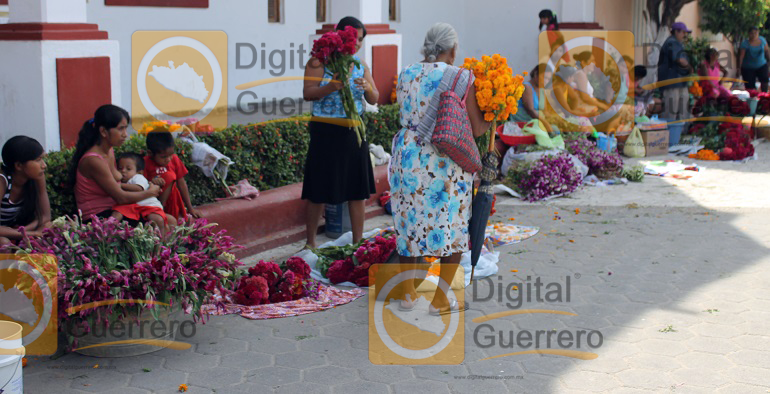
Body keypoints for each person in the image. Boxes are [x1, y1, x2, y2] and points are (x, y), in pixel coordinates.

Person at [390, 23, 488, 315]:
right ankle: (441, 300)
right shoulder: (460, 76)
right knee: (453, 224)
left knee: (409, 222)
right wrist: (496, 114)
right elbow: (476, 128)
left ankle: (407, 294)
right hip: (444, 160)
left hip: (407, 157)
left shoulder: (405, 72)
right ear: (453, 50)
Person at [301, 16, 379, 249]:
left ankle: (357, 242)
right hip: (325, 131)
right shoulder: (318, 62)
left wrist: (367, 88)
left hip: (353, 133)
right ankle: (311, 242)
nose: (356, 44)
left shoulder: (360, 65)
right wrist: (331, 87)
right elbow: (308, 92)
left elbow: (375, 97)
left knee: (357, 190)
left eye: (361, 40)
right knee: (318, 189)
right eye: (353, 39)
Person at [72, 105, 160, 223]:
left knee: (167, 220)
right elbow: (121, 197)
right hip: (98, 217)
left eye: (125, 129)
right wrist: (150, 193)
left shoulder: (109, 150)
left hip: (117, 208)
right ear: (103, 131)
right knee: (156, 224)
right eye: (120, 129)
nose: (125, 134)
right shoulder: (93, 161)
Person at [0, 136, 52, 245]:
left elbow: (45, 216)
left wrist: (26, 231)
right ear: (19, 165)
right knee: (4, 243)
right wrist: (28, 233)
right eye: (38, 160)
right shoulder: (2, 181)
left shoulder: (36, 177)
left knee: (48, 226)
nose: (44, 165)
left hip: (14, 230)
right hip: (4, 234)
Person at [143, 131, 202, 221]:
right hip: (153, 201)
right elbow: (141, 184)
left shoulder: (174, 159)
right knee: (168, 176)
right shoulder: (145, 162)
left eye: (170, 155)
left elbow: (181, 183)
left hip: (172, 201)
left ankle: (162, 208)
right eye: (163, 157)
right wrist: (152, 181)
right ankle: (160, 208)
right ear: (150, 153)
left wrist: (190, 208)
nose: (168, 159)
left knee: (169, 176)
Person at [114, 153, 177, 234]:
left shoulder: (138, 177)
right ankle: (109, 230)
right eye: (120, 168)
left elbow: (139, 188)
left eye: (128, 169)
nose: (123, 171)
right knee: (117, 212)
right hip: (135, 206)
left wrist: (119, 185)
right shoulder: (124, 181)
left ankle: (162, 243)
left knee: (157, 219)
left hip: (149, 206)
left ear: (139, 172)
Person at [657, 22, 693, 124]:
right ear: (676, 32)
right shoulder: (671, 42)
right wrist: (690, 68)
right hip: (671, 82)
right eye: (683, 32)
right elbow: (680, 59)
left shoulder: (678, 43)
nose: (684, 35)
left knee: (682, 109)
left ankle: (680, 134)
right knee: (671, 111)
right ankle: (667, 135)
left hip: (680, 81)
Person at [738, 27, 770, 92]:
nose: (754, 35)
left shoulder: (762, 40)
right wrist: (738, 68)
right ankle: (752, 99)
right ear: (749, 34)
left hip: (761, 65)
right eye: (752, 33)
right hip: (748, 68)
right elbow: (741, 57)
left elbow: (767, 51)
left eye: (755, 33)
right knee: (750, 87)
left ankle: (764, 97)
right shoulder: (745, 44)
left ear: (758, 33)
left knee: (765, 81)